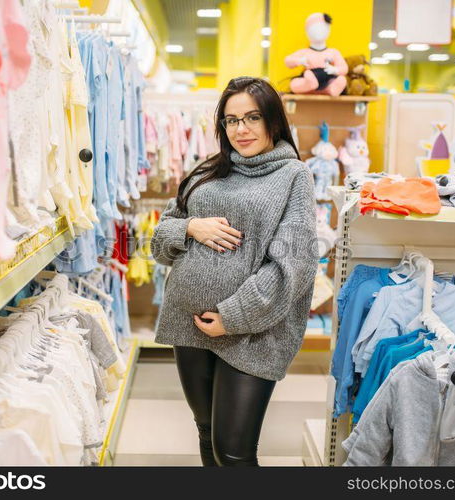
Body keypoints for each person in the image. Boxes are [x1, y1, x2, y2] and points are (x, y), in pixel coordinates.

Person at [151, 77, 319, 466]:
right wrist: (190, 227)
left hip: (251, 333)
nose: (240, 130)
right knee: (208, 435)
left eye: (251, 118)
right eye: (230, 120)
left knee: (234, 454)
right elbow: (160, 241)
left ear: (273, 122)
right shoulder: (207, 170)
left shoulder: (293, 176)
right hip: (189, 326)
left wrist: (232, 316)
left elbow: (295, 263)